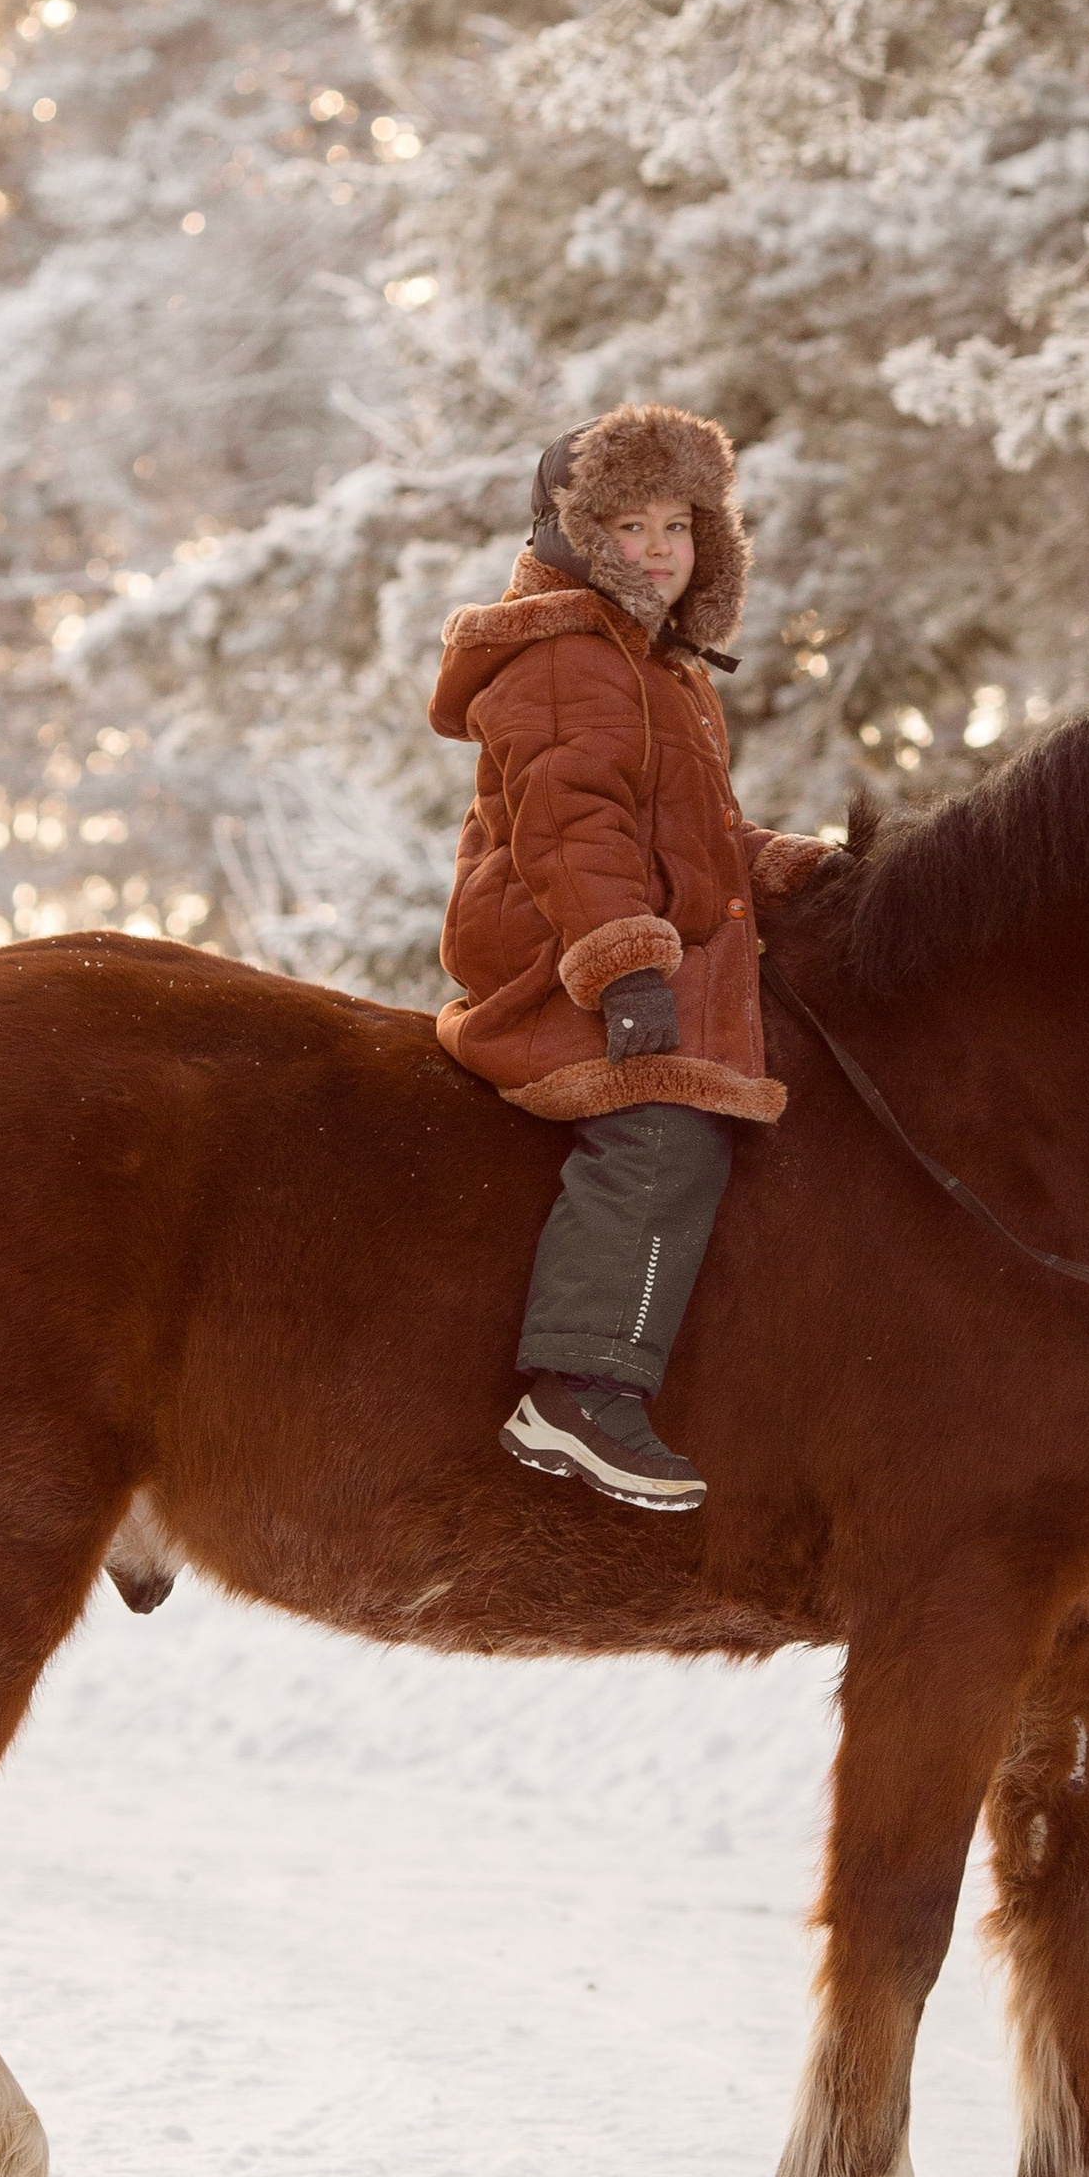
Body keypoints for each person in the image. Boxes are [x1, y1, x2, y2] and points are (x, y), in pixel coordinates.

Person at [428, 405, 825, 1510]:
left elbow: (692, 839)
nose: (658, 549)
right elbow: (573, 832)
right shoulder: (563, 659)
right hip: (557, 961)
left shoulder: (657, 668)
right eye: (629, 525)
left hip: (627, 947)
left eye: (678, 526)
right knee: (661, 1133)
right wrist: (623, 971)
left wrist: (795, 868)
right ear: (572, 533)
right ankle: (580, 1386)